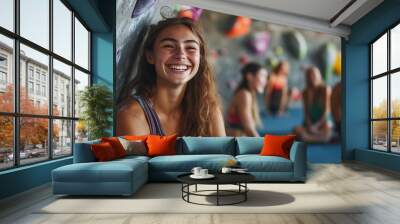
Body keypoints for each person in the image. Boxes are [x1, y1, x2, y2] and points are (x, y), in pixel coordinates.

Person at [116, 18, 226, 136]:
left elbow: (224, 155)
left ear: (200, 58)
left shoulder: (208, 111)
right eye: (168, 46)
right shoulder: (132, 115)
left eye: (190, 48)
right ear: (150, 56)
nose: (181, 55)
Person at [226, 62, 268, 136]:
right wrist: (263, 145)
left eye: (266, 77)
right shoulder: (244, 94)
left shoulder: (249, 93)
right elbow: (249, 128)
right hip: (236, 141)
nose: (265, 81)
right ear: (249, 76)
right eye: (262, 76)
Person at [294, 66, 332, 143]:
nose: (312, 78)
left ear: (319, 76)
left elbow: (326, 113)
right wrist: (310, 126)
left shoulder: (325, 89)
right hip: (310, 124)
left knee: (327, 131)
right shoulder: (305, 92)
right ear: (307, 78)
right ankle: (314, 137)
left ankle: (309, 138)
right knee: (296, 130)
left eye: (314, 75)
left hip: (323, 122)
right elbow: (306, 114)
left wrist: (316, 126)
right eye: (309, 76)